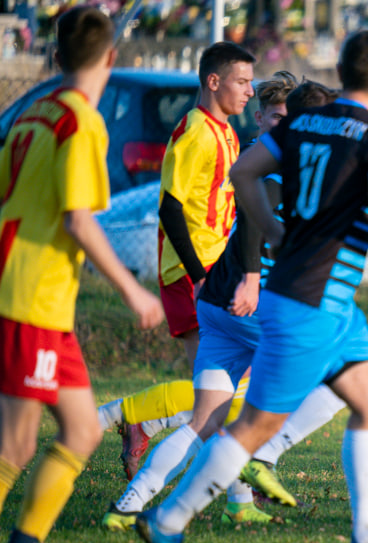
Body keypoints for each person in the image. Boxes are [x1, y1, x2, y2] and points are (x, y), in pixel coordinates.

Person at [134, 30, 368, 543]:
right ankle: (167, 521)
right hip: (309, 303)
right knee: (253, 427)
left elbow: (243, 173)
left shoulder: (301, 123)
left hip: (329, 303)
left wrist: (272, 228)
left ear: (341, 72)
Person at [101, 77, 349, 532]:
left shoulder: (288, 157)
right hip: (248, 304)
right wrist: (253, 279)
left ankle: (127, 506)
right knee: (344, 377)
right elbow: (257, 219)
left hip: (217, 305)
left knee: (206, 420)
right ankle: (263, 455)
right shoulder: (287, 162)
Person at [0, 7, 164, 543]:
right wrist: (132, 291)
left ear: (54, 56)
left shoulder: (31, 115)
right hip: (31, 297)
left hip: (38, 300)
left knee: (84, 429)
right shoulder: (81, 120)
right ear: (112, 59)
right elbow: (79, 219)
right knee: (15, 445)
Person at [116, 41, 257, 481]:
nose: (250, 91)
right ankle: (136, 418)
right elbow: (171, 207)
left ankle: (147, 423)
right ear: (213, 82)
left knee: (232, 384)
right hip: (192, 273)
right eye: (242, 81)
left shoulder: (227, 132)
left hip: (217, 269)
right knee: (228, 385)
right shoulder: (195, 132)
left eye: (252, 82)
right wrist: (199, 276)